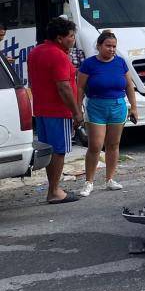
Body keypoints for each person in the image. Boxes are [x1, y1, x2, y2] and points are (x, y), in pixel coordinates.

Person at [27, 17, 83, 204]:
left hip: (42, 110)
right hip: (58, 111)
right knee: (59, 151)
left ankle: (54, 188)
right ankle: (54, 191)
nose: (73, 39)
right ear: (60, 38)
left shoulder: (35, 52)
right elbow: (64, 87)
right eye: (71, 36)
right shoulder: (57, 55)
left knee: (50, 151)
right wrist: (76, 112)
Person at [76, 31, 139, 197]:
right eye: (108, 46)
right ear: (99, 46)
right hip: (96, 106)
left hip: (118, 106)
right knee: (95, 145)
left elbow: (129, 86)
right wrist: (78, 109)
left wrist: (134, 107)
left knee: (113, 144)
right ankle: (89, 182)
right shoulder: (89, 64)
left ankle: (110, 179)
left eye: (114, 46)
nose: (111, 49)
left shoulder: (120, 62)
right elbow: (80, 87)